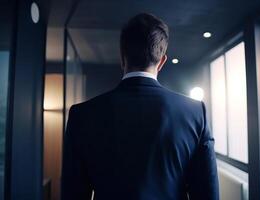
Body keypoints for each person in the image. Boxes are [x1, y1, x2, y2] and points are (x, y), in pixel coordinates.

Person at [61, 13, 219, 200]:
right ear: (161, 62)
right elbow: (207, 195)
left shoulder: (82, 115)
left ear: (122, 57)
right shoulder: (195, 113)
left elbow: (73, 194)